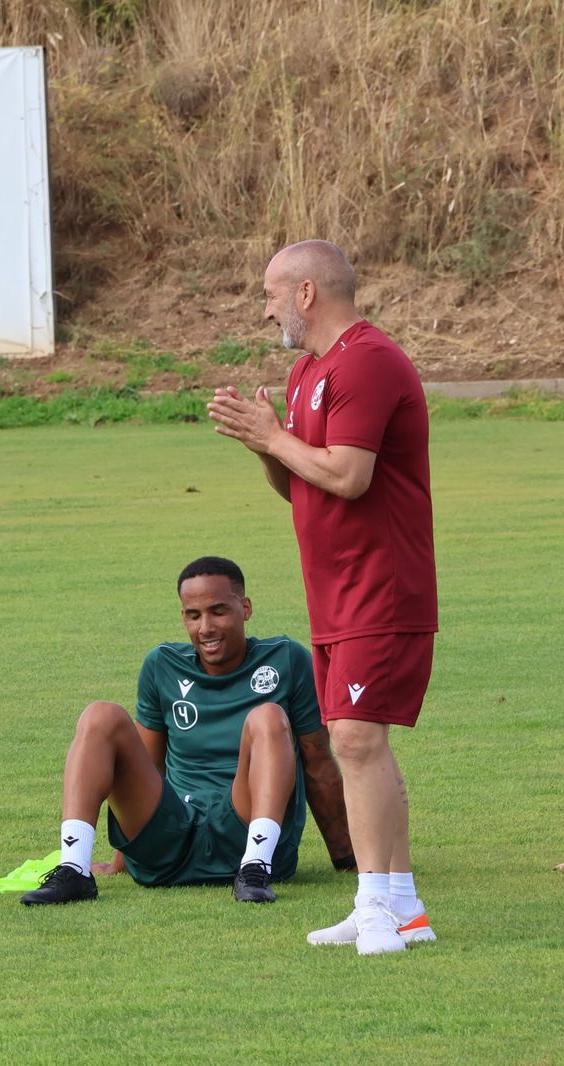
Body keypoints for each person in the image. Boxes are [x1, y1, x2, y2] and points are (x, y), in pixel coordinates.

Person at [207, 239, 438, 955]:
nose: (265, 306)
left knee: (356, 740)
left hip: (381, 586)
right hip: (336, 594)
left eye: (271, 292)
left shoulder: (366, 361)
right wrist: (265, 446)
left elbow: (348, 476)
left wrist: (279, 439)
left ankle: (376, 907)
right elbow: (302, 480)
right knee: (358, 740)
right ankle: (401, 906)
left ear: (308, 292)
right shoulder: (308, 370)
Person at [19, 557, 353, 907]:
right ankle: (74, 870)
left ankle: (256, 867)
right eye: (194, 615)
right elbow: (144, 768)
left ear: (246, 608)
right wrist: (123, 857)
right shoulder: (162, 665)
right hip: (170, 841)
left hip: (243, 826)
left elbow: (318, 763)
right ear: (183, 618)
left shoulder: (286, 660)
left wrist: (346, 859)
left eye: (218, 611)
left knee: (268, 717)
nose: (206, 627)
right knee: (100, 715)